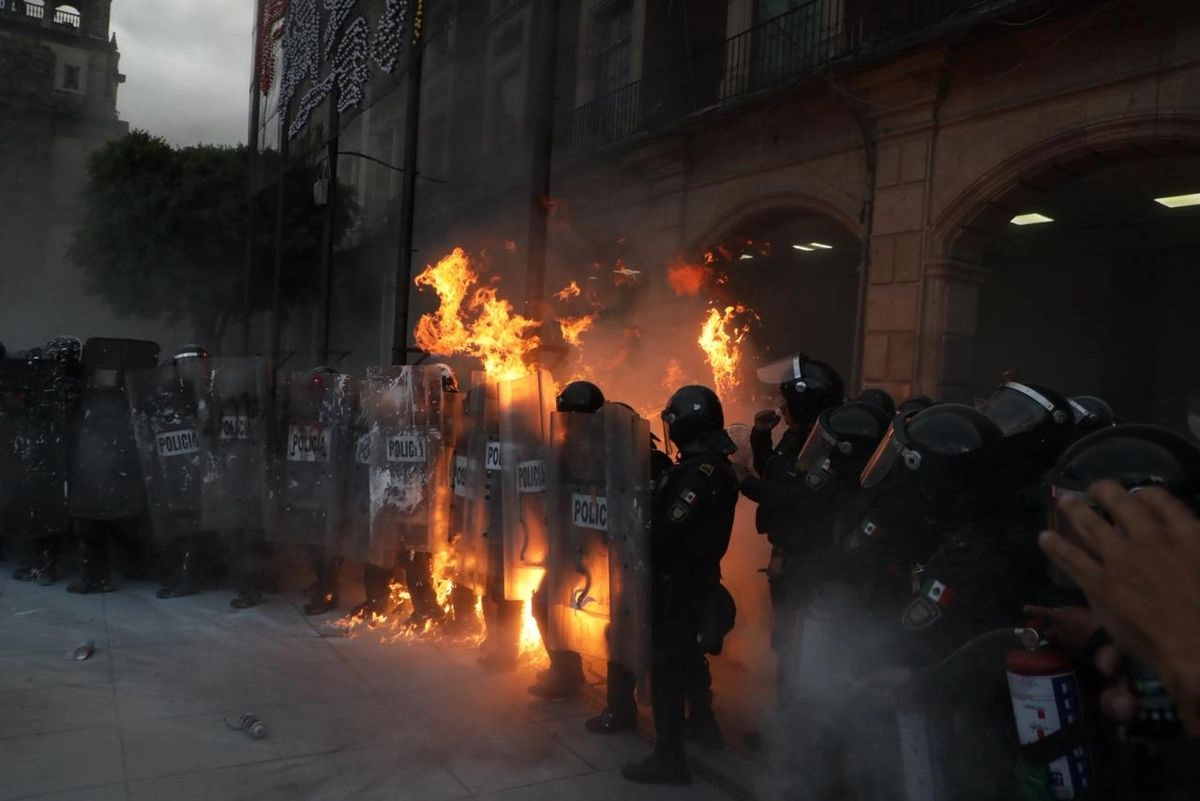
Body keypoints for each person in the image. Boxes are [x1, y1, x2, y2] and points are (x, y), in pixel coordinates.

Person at [623, 385, 739, 785]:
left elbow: (666, 532)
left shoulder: (699, 473)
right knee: (689, 660)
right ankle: (705, 727)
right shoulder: (712, 465)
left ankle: (669, 758)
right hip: (694, 580)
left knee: (666, 669)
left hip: (679, 585)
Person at [737, 355, 843, 706]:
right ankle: (783, 719)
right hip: (787, 559)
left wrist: (746, 483)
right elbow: (775, 471)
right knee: (784, 639)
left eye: (787, 400)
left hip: (806, 563)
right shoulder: (799, 436)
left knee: (799, 643)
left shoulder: (823, 446)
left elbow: (795, 496)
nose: (781, 406)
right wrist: (761, 436)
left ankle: (795, 725)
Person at [528, 380, 605, 699]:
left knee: (602, 619)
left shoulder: (609, 449)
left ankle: (612, 692)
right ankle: (566, 671)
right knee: (544, 605)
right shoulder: (563, 447)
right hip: (567, 548)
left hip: (598, 553)